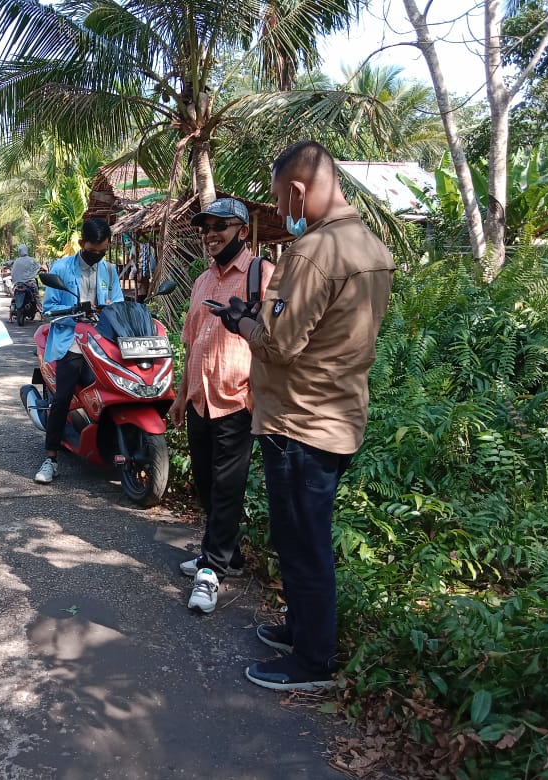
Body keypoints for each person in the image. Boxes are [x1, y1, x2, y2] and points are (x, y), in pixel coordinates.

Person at [213, 141, 395, 690]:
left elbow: (279, 344)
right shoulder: (371, 245)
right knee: (304, 535)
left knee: (302, 539)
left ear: (296, 190)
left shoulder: (313, 253)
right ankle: (301, 628)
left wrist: (242, 324)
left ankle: (313, 661)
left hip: (299, 421)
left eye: (280, 199)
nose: (283, 211)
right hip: (338, 414)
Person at [168, 198, 274, 615]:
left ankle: (211, 571)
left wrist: (254, 396)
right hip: (199, 400)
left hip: (236, 400)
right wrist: (180, 394)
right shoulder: (201, 281)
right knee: (206, 484)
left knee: (227, 488)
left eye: (220, 226)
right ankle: (225, 553)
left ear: (243, 232)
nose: (210, 234)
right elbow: (192, 341)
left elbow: (276, 339)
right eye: (205, 227)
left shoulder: (261, 275)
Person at [34, 218, 124, 483]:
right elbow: (49, 308)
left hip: (101, 339)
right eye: (92, 251)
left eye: (102, 251)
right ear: (82, 243)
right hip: (70, 339)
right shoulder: (61, 268)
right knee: (62, 397)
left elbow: (117, 303)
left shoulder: (109, 270)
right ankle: (50, 458)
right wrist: (75, 311)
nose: (97, 256)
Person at [10, 243, 43, 314]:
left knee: (14, 297)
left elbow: (13, 272)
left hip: (17, 283)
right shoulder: (31, 260)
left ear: (19, 251)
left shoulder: (16, 261)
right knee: (36, 296)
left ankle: (10, 315)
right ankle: (41, 313)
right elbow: (38, 266)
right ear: (26, 250)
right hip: (29, 283)